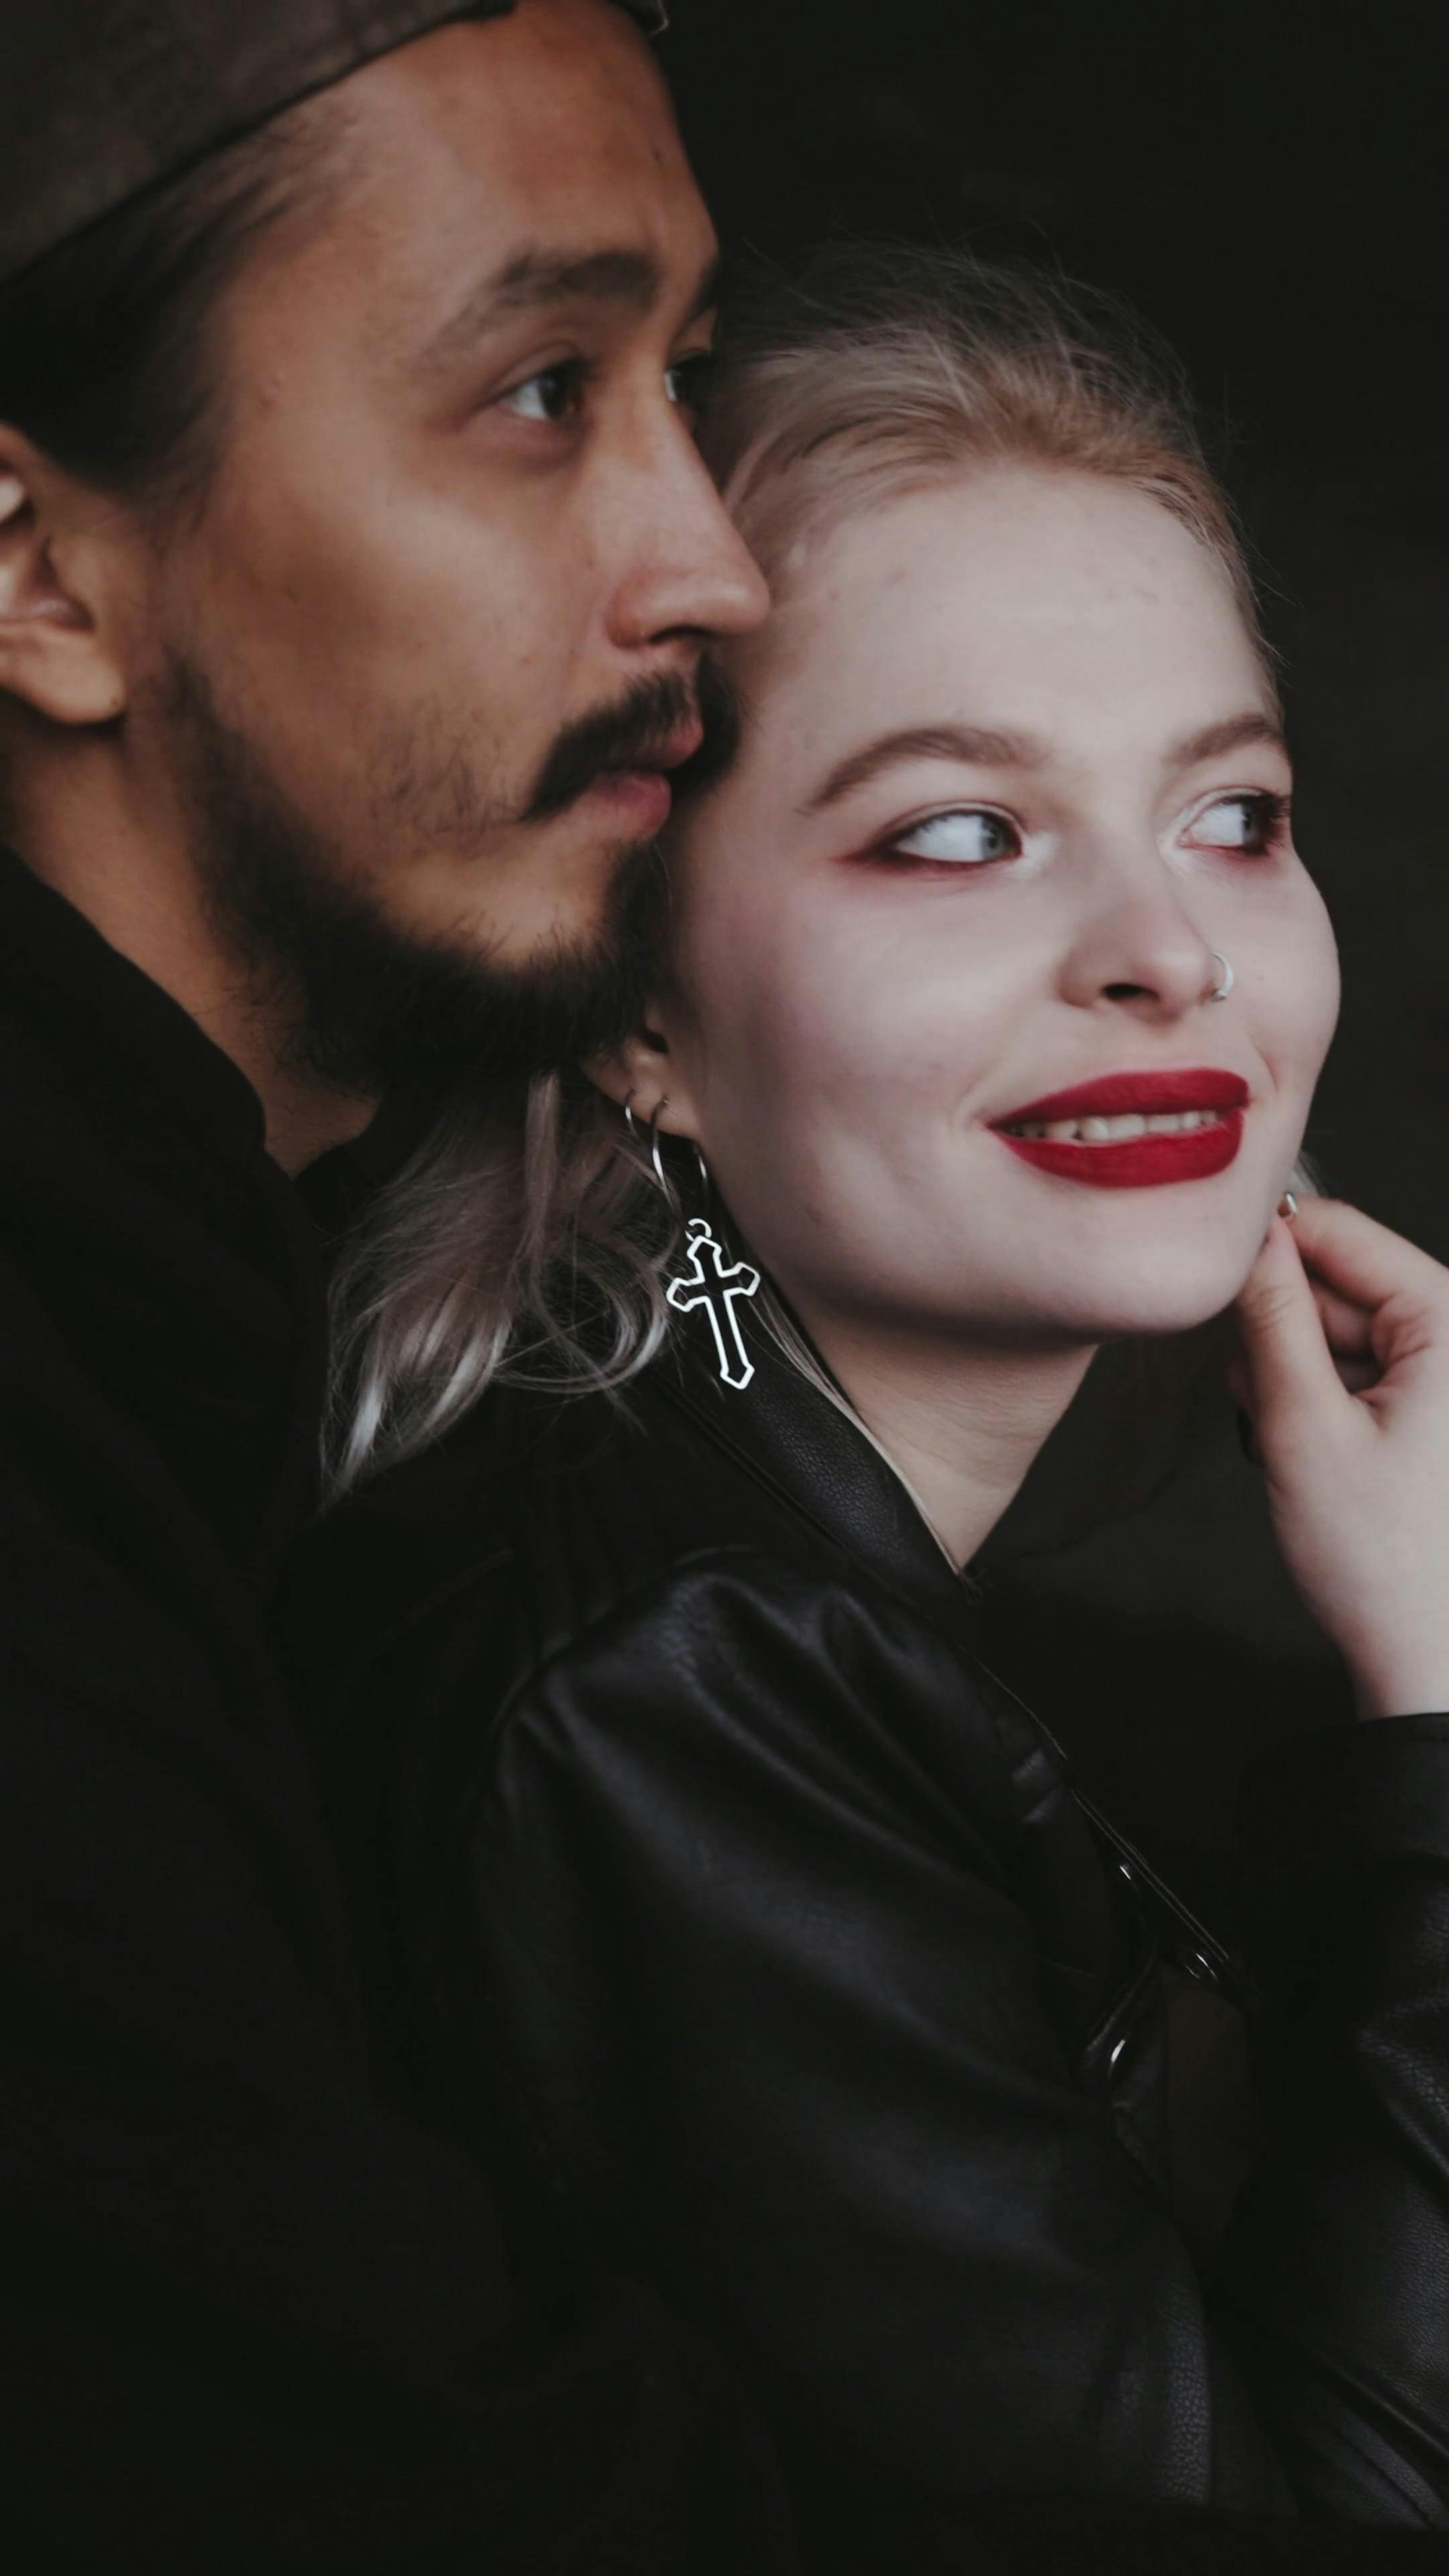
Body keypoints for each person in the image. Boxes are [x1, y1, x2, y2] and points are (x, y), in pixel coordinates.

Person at [293, 249, 1449, 2568]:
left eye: (1233, 815)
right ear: (634, 1008)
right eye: (956, 834)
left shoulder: (703, 1462)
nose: (1170, 953)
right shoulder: (676, 1670)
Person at [0, 3, 792, 2566]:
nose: (716, 567)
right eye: (545, 394)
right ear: (40, 578)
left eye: (686, 378)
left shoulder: (392, 1275)